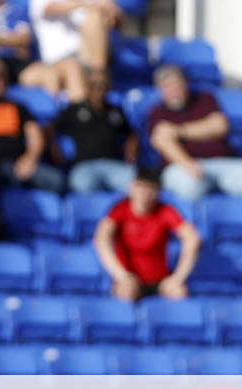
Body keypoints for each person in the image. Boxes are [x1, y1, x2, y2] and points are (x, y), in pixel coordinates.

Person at [93, 168, 202, 302]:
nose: (144, 193)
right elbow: (102, 238)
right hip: (130, 279)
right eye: (140, 187)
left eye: (150, 188)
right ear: (131, 187)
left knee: (179, 293)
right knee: (126, 292)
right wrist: (121, 275)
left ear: (158, 192)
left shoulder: (165, 211)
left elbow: (192, 238)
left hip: (160, 279)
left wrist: (178, 277)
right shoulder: (120, 209)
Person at [0, 53, 66, 193]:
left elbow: (34, 133)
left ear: (5, 78)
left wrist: (30, 158)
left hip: (18, 165)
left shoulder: (19, 107)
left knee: (57, 181)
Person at [148, 65, 242, 202]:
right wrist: (187, 164)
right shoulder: (157, 112)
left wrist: (179, 131)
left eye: (177, 85)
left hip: (221, 163)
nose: (174, 90)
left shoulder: (205, 99)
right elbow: (161, 140)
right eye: (167, 86)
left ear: (186, 84)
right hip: (181, 166)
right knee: (191, 186)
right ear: (160, 90)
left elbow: (220, 126)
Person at [53, 69, 136, 192]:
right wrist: (56, 152)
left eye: (102, 85)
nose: (98, 89)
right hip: (85, 165)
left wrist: (130, 153)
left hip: (114, 164)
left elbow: (131, 134)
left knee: (136, 184)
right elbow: (49, 129)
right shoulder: (74, 110)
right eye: (94, 85)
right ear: (87, 87)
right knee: (83, 185)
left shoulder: (115, 111)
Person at [22, 0, 122, 102]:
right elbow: (52, 8)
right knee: (72, 68)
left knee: (95, 15)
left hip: (87, 57)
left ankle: (99, 75)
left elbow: (115, 21)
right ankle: (80, 109)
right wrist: (89, 4)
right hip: (57, 60)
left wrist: (108, 9)